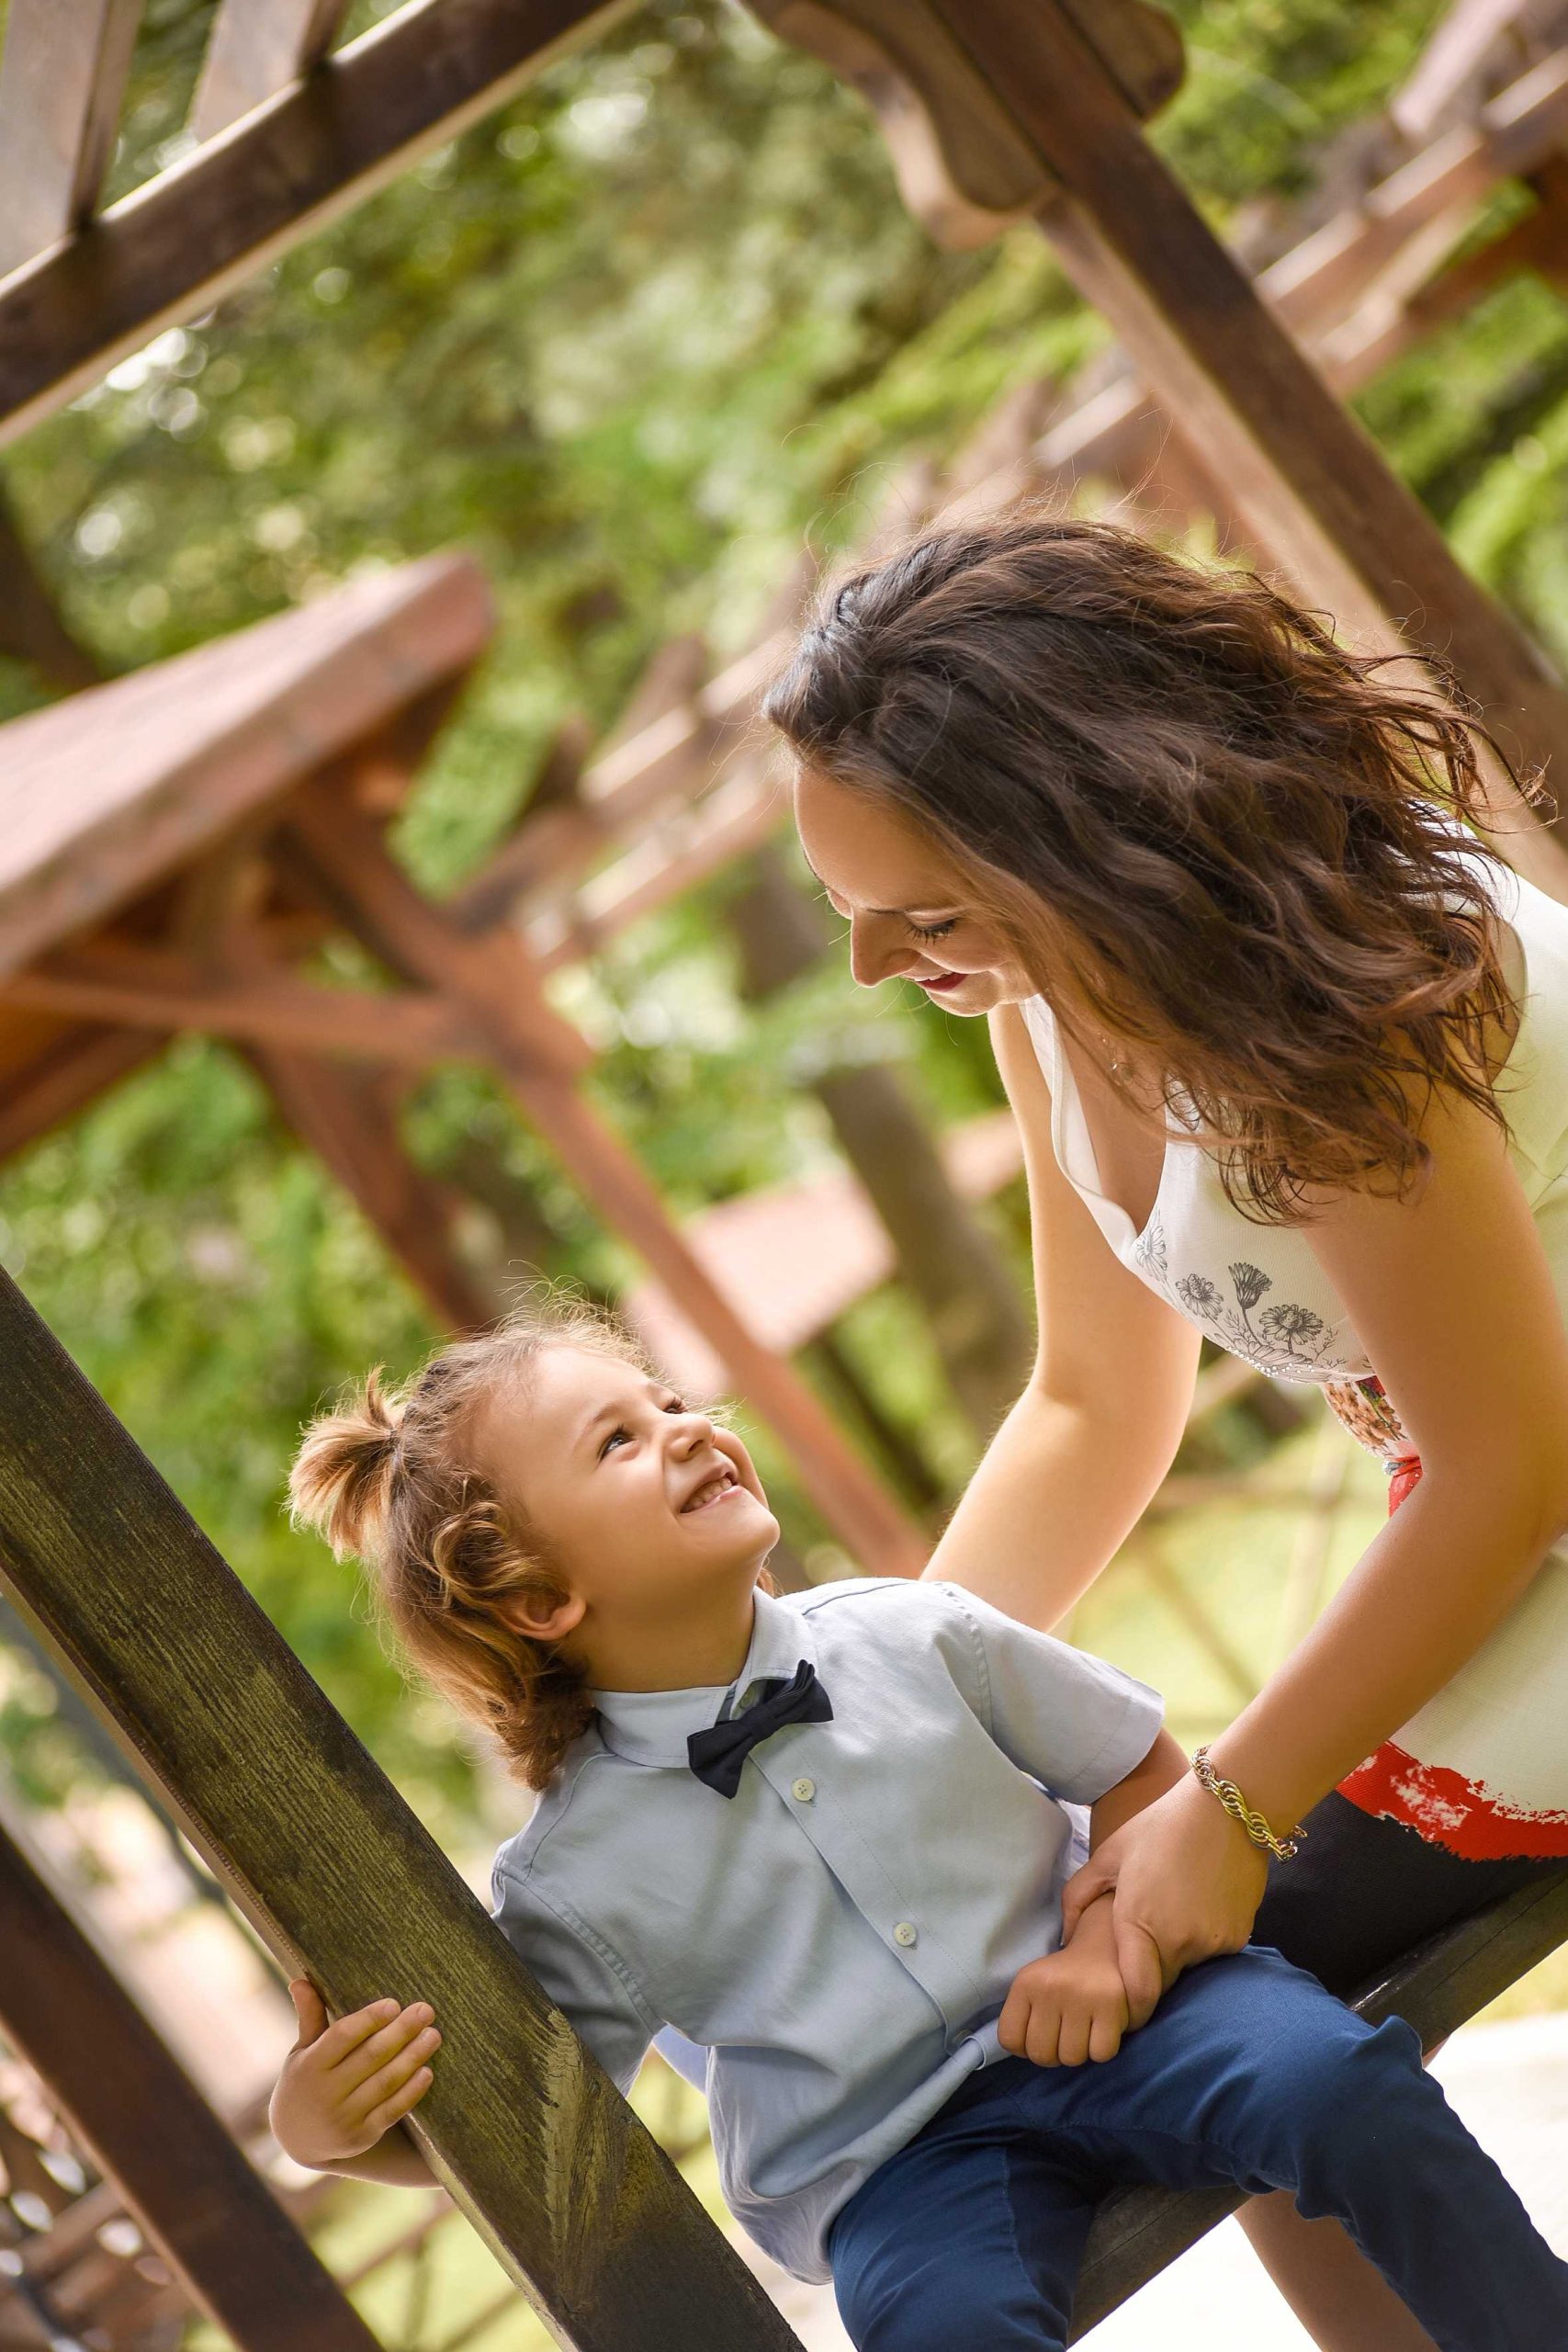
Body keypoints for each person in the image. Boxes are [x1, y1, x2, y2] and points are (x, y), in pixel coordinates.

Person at [762, 506, 1568, 2347]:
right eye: (854, 917)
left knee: (1241, 2004)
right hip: (1498, 1508)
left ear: (1084, 838)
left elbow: (1510, 1466)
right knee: (1231, 2015)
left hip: (1525, 1501)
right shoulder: (1052, 1005)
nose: (884, 966)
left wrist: (1228, 1798)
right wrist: (887, 1712)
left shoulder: (1329, 990)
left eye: (929, 912)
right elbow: (1083, 1403)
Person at [267, 1304, 1568, 2351]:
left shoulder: (912, 1632)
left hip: (1132, 2016)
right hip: (897, 2173)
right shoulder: (574, 1883)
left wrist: (1113, 1939)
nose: (688, 1428)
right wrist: (328, 2134)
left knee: (1337, 2079)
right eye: (617, 1441)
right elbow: (506, 2119)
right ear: (534, 1592)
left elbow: (1137, 1771)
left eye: (669, 1402)